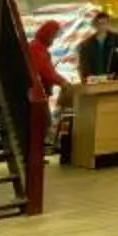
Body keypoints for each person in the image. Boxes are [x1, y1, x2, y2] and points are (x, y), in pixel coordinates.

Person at [24, 20, 71, 164]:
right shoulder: (37, 48)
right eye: (54, 34)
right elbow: (46, 71)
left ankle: (35, 156)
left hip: (38, 93)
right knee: (42, 123)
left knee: (41, 124)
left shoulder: (38, 47)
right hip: (37, 94)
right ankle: (34, 157)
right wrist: (63, 82)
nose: (55, 38)